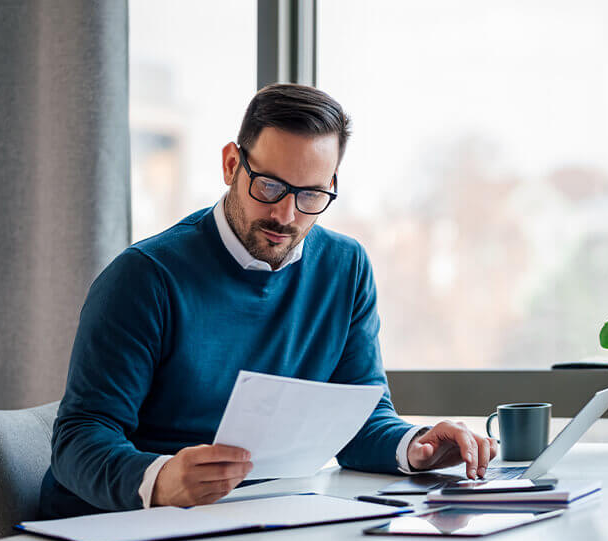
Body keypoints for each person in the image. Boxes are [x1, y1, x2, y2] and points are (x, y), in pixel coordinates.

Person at [40, 84, 497, 518]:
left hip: (258, 518)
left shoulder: (346, 267)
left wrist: (417, 446)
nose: (286, 214)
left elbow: (361, 418)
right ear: (230, 164)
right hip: (121, 528)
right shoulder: (144, 278)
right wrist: (160, 479)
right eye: (270, 186)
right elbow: (79, 440)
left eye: (311, 194)